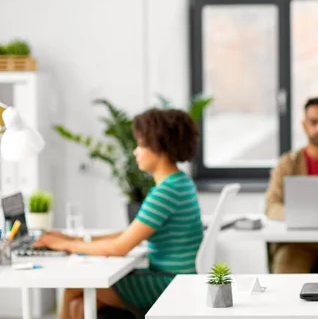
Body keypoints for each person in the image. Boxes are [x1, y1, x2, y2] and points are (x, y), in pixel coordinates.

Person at [34, 108, 204, 319]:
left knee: (73, 287)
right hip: (174, 277)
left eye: (141, 145)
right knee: (79, 304)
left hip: (168, 283)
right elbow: (129, 234)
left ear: (158, 146)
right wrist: (76, 239)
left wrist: (67, 245)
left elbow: (119, 247)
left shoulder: (166, 192)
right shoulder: (180, 182)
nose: (135, 152)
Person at [264, 97, 318, 273]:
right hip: (298, 243)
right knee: (285, 269)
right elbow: (271, 206)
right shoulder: (287, 163)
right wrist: (301, 215)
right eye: (314, 122)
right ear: (304, 125)